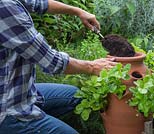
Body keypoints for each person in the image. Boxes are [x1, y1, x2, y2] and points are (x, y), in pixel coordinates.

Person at [0, 0, 117, 133]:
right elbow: (51, 61)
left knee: (76, 95)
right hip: (9, 109)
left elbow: (38, 4)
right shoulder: (4, 7)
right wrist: (93, 67)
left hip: (20, 91)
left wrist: (78, 11)